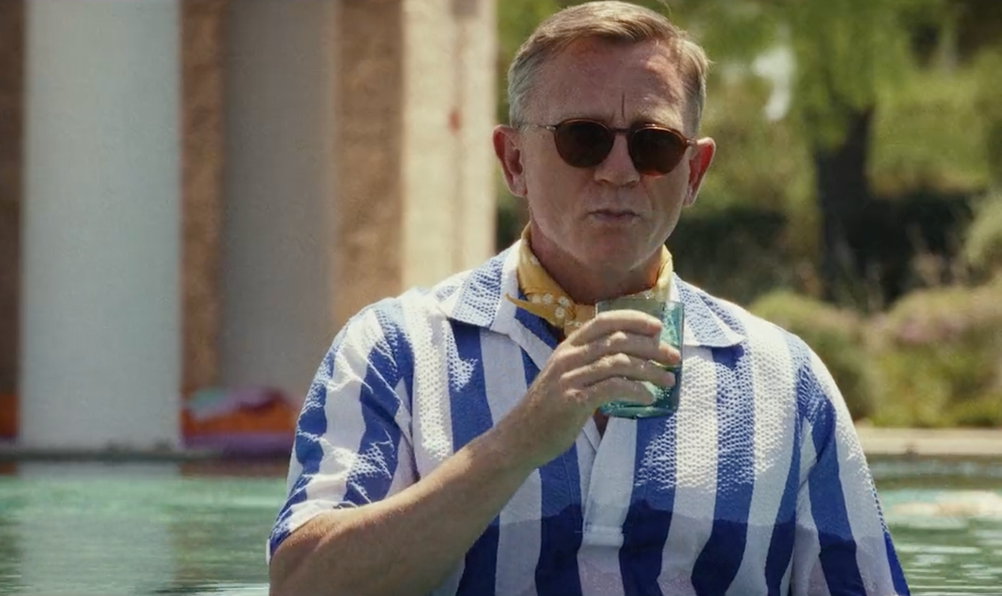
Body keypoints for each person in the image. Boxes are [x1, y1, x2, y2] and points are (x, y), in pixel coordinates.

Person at [266, 3, 908, 595]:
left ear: (695, 173)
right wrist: (515, 443)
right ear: (513, 160)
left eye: (654, 144)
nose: (619, 170)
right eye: (583, 138)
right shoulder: (395, 350)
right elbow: (302, 584)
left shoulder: (785, 381)